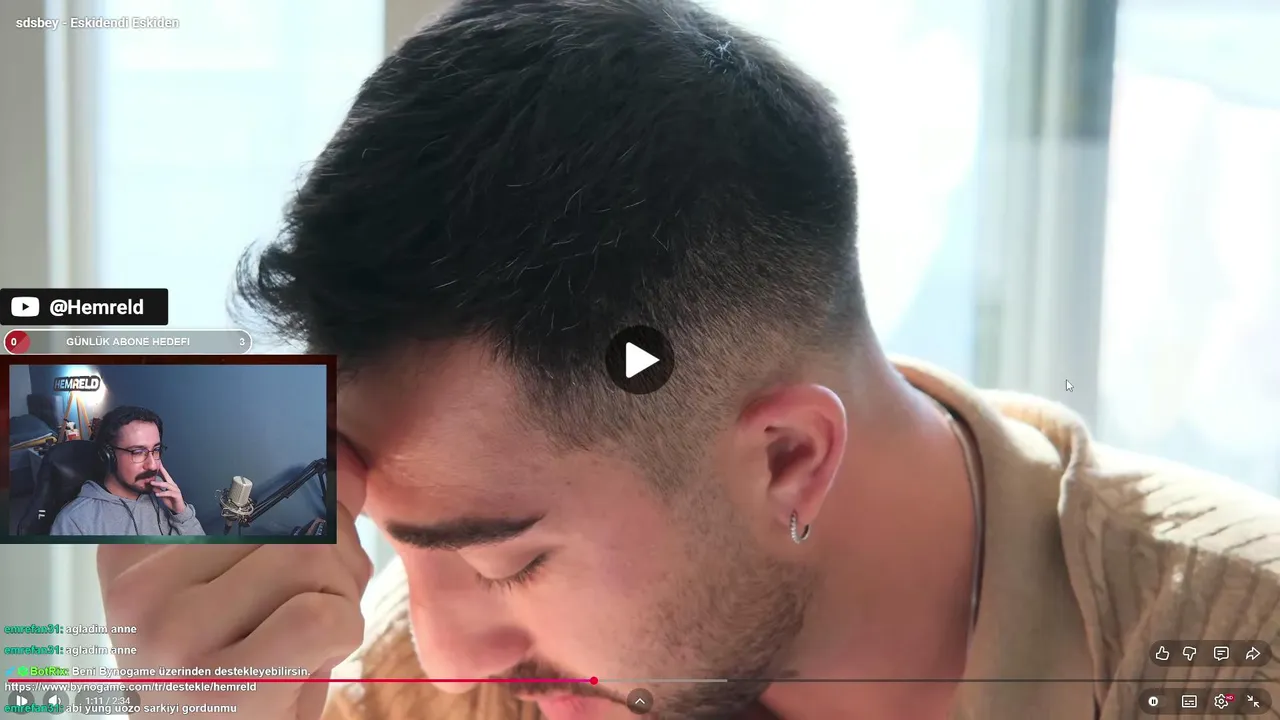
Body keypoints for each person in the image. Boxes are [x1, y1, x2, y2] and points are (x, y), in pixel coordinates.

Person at [98, 0, 1280, 718]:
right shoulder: (386, 688)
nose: (444, 655)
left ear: (787, 458)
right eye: (399, 543)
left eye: (508, 561)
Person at [53, 405, 204, 536]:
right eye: (138, 452)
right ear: (108, 456)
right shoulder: (75, 522)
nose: (153, 465)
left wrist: (181, 514)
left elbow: (202, 557)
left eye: (156, 450)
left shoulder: (166, 495)